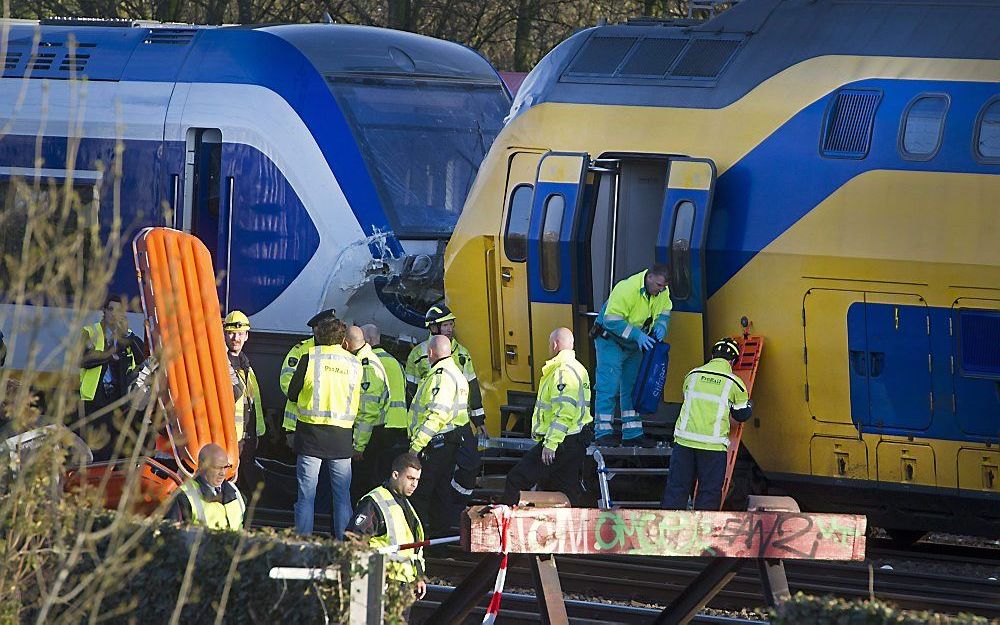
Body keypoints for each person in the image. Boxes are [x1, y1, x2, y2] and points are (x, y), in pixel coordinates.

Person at [286, 316, 361, 538]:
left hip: (310, 437)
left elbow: (292, 393)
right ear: (343, 340)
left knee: (306, 496)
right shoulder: (355, 363)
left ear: (319, 336)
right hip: (341, 438)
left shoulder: (310, 358)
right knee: (342, 498)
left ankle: (303, 544)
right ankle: (344, 545)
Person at [405, 304, 483, 513]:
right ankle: (438, 517)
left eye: (450, 324)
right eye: (445, 325)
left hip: (458, 423)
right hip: (433, 427)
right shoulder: (418, 355)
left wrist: (479, 420)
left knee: (470, 464)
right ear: (432, 328)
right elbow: (411, 393)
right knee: (432, 478)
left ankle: (456, 506)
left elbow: (472, 386)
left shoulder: (461, 354)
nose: (449, 329)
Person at [503, 328, 593, 506]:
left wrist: (550, 444)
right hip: (575, 441)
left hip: (561, 442)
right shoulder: (579, 369)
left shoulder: (562, 371)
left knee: (516, 480)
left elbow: (564, 412)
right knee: (564, 491)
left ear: (554, 345)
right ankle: (572, 530)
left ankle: (504, 527)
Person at [661, 338, 752, 511]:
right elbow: (741, 415)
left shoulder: (692, 375)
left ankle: (668, 532)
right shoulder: (734, 383)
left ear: (712, 355)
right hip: (713, 447)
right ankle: (703, 534)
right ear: (733, 361)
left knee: (676, 489)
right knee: (708, 494)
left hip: (684, 443)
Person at [592, 264, 672, 447]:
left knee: (633, 387)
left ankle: (633, 433)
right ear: (650, 277)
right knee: (608, 386)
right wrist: (637, 335)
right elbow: (610, 320)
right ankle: (602, 432)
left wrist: (661, 325)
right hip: (611, 341)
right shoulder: (627, 288)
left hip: (634, 344)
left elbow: (665, 311)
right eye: (659, 285)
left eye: (664, 287)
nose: (661, 290)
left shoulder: (662, 292)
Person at [407, 335, 469, 536]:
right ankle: (438, 541)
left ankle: (419, 539)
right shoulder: (456, 374)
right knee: (441, 492)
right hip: (450, 441)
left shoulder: (440, 377)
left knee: (421, 492)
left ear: (431, 353)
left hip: (436, 443)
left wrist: (416, 446)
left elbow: (436, 415)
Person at [346, 452, 427, 602]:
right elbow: (354, 541)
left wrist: (419, 577)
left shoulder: (405, 504)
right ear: (395, 475)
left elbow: (414, 549)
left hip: (405, 585)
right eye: (410, 478)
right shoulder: (375, 502)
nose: (414, 484)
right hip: (384, 583)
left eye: (417, 479)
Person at [79, 295, 147, 461]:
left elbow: (142, 359)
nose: (114, 314)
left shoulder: (128, 336)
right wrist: (110, 355)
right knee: (96, 446)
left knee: (117, 446)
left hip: (120, 399)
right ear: (104, 311)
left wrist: (126, 336)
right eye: (111, 310)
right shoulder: (92, 332)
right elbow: (84, 360)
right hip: (96, 398)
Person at [359, 324, 409, 490]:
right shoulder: (394, 361)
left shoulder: (369, 363)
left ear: (368, 340)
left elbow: (369, 402)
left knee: (369, 477)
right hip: (400, 427)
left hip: (379, 426)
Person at [347, 325, 392, 502]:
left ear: (347, 342)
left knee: (361, 485)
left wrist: (359, 446)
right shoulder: (364, 360)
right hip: (371, 434)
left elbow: (367, 413)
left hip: (369, 436)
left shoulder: (366, 366)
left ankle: (361, 527)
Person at [279, 308, 336, 442]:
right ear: (316, 329)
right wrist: (306, 398)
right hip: (298, 422)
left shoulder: (339, 351)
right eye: (325, 327)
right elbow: (286, 380)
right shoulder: (301, 350)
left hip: (328, 424)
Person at [168, 443, 245, 530]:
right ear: (201, 466)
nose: (222, 473)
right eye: (217, 468)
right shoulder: (184, 495)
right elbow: (172, 535)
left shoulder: (234, 491)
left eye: (226, 467)